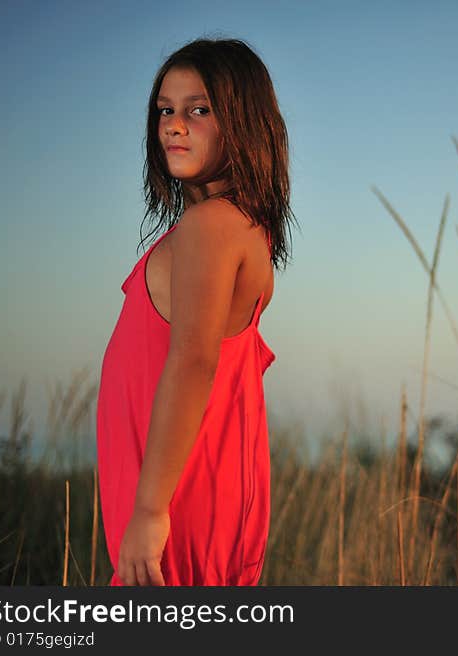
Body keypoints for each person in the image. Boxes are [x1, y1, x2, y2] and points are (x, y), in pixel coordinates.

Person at [96, 37, 296, 586]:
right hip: (186, 481)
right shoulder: (237, 225)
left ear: (244, 120)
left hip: (177, 495)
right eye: (165, 109)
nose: (173, 125)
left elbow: (193, 363)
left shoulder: (212, 227)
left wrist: (151, 510)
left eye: (198, 110)